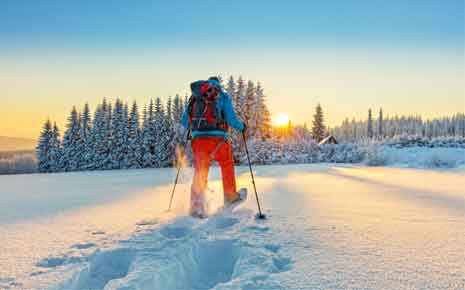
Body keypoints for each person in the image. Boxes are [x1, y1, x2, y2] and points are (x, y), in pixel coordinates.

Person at [180, 76, 247, 217]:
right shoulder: (221, 95)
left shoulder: (195, 97)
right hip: (218, 139)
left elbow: (184, 122)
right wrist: (242, 127)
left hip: (198, 141)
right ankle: (230, 196)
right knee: (226, 164)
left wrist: (182, 135)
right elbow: (231, 119)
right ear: (218, 84)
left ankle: (196, 207)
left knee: (200, 170)